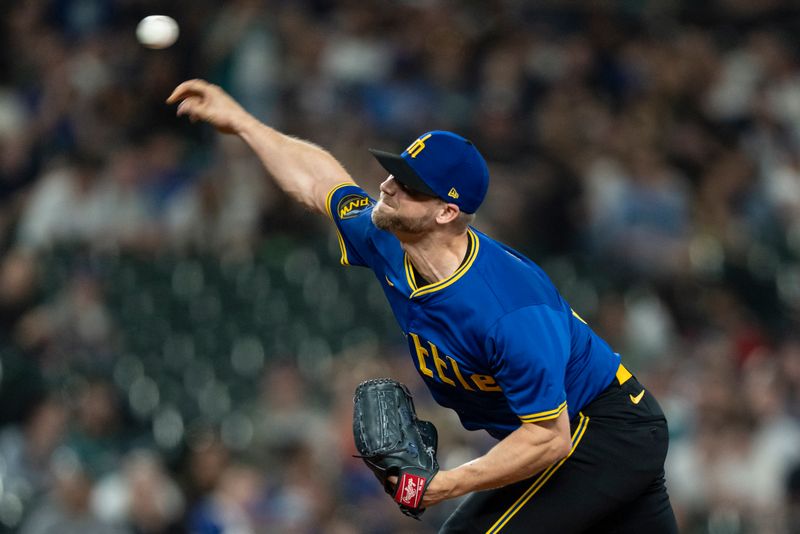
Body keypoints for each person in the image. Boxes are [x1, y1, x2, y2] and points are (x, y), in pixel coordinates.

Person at [167, 79, 678, 533]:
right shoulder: (386, 236)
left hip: (597, 430)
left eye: (407, 185)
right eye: (393, 173)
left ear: (447, 211)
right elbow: (319, 184)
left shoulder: (509, 308)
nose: (387, 187)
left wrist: (443, 485)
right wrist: (243, 122)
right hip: (592, 435)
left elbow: (549, 439)